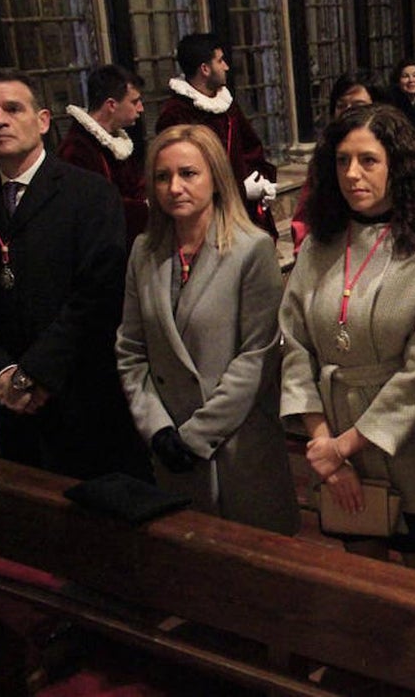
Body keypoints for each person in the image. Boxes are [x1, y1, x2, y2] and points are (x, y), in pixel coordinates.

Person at [282, 105, 415, 573]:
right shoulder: (320, 245)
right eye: (342, 161)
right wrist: (327, 449)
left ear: (396, 166)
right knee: (363, 582)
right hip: (335, 436)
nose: (352, 174)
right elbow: (295, 345)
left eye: (368, 160)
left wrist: (346, 446)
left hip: (411, 444)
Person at [0, 69, 150, 481]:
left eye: (12, 108)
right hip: (14, 401)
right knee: (31, 521)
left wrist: (35, 373)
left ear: (42, 120)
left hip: (80, 390)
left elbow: (97, 294)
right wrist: (3, 372)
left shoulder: (90, 193)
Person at [116, 125, 298, 535]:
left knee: (253, 573)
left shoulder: (251, 249)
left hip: (236, 444)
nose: (174, 187)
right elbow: (130, 349)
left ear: (215, 177)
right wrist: (157, 428)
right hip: (169, 442)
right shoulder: (144, 252)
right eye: (162, 177)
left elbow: (258, 356)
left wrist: (196, 436)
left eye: (188, 173)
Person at [156, 32, 279, 240]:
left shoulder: (226, 105)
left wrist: (261, 180)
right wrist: (239, 190)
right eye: (220, 61)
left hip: (241, 213)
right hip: (206, 220)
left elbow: (251, 148)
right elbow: (185, 173)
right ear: (205, 69)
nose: (226, 67)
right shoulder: (176, 114)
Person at [292, 69, 384, 253]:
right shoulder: (324, 157)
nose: (349, 112)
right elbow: (305, 215)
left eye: (359, 105)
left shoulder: (392, 149)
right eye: (342, 105)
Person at [57, 63, 148, 241]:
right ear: (111, 105)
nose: (141, 108)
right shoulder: (77, 150)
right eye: (135, 102)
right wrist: (147, 210)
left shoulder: (115, 141)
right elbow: (95, 209)